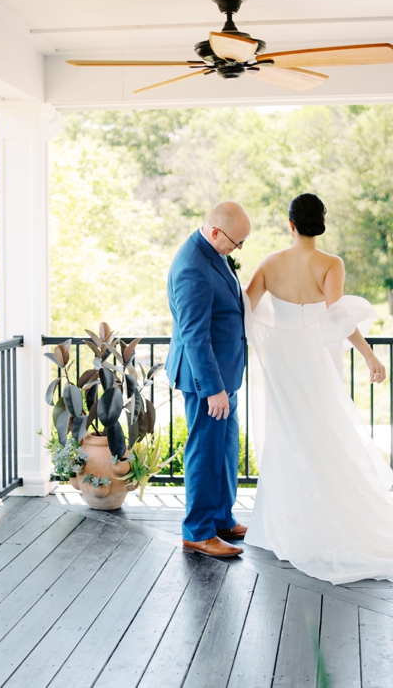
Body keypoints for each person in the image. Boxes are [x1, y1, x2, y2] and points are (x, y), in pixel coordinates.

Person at [242, 193, 393, 588]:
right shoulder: (330, 264)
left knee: (286, 432)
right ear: (321, 223)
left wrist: (272, 331)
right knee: (325, 433)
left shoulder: (270, 263)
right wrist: (370, 356)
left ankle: (284, 525)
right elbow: (338, 318)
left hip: (283, 363)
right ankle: (328, 520)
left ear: (290, 224)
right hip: (316, 360)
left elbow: (246, 309)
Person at [167, 201, 251, 558]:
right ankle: (198, 531)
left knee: (225, 449)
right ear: (216, 231)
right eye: (236, 242)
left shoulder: (213, 251)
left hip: (225, 375)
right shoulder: (192, 267)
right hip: (206, 381)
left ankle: (221, 518)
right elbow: (194, 335)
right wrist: (214, 389)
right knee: (204, 451)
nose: (238, 249)